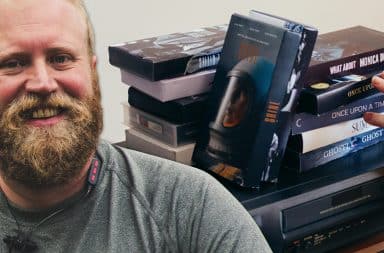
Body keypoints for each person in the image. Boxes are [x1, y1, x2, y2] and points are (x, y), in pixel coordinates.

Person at [0, 0, 272, 252]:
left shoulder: (192, 209)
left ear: (92, 74)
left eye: (61, 58)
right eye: (12, 63)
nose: (43, 83)